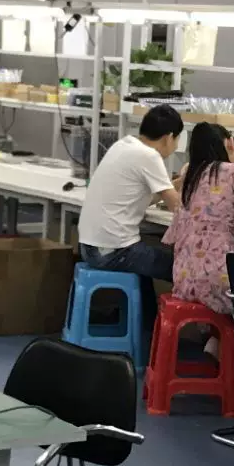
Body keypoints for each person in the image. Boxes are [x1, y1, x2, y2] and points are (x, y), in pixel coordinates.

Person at [77, 103, 184, 333]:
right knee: (184, 267)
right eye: (176, 141)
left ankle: (145, 334)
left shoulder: (124, 145)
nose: (175, 147)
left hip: (91, 246)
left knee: (147, 265)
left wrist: (179, 182)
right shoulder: (149, 156)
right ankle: (179, 336)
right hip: (113, 251)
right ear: (169, 137)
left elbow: (147, 197)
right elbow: (177, 207)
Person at [163, 123, 234, 316]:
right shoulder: (231, 171)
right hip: (216, 281)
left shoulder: (190, 176)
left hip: (183, 279)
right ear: (230, 143)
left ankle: (211, 334)